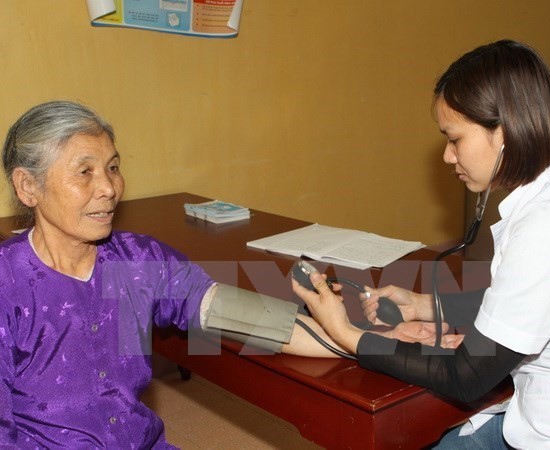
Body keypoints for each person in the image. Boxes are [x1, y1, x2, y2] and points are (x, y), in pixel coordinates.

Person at [0, 100, 447, 448]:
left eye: (113, 167)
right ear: (28, 187)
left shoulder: (136, 262)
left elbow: (235, 312)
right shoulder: (8, 285)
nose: (108, 188)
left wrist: (364, 339)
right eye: (85, 172)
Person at [293, 39, 550, 449]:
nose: (447, 156)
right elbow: (526, 302)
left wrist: (346, 334)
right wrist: (425, 305)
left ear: (505, 131)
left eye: (454, 139)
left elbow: (466, 376)